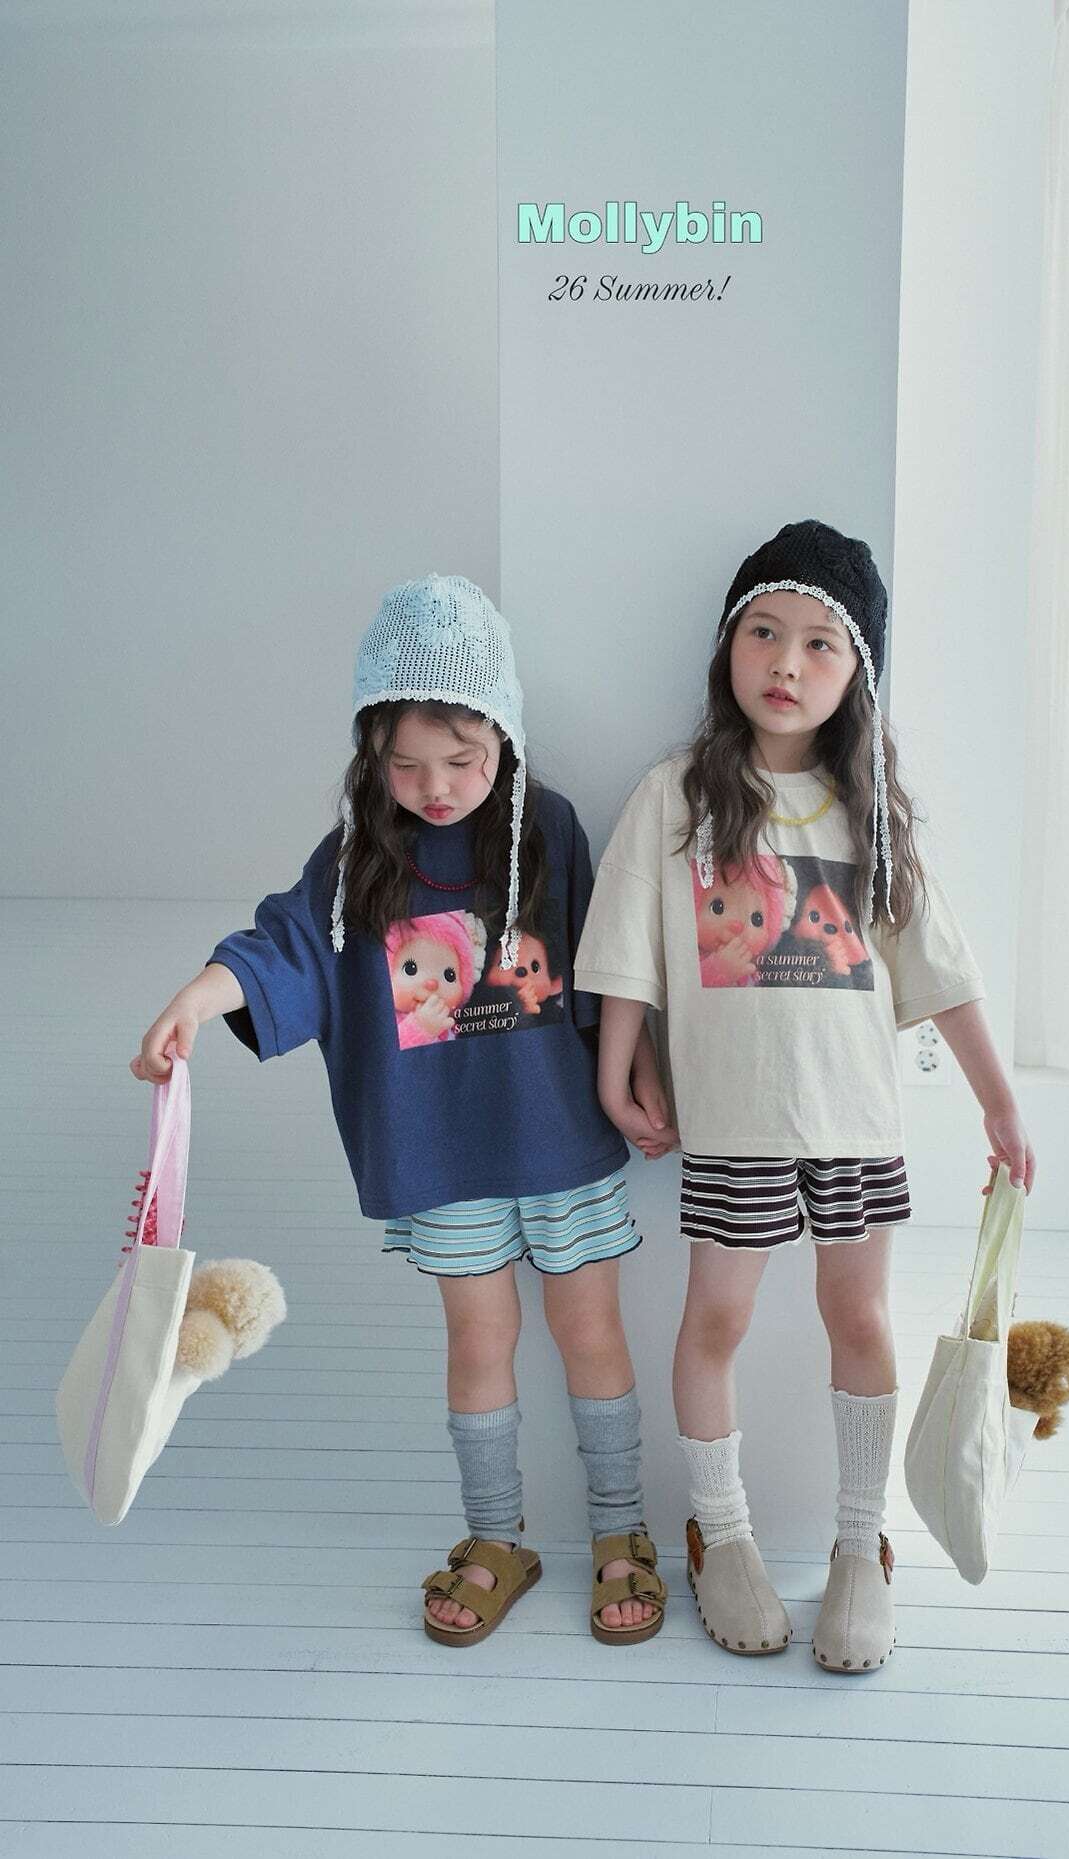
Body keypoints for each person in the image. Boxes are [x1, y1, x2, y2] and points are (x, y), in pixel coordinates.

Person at [130, 575, 677, 1648]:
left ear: (504, 736)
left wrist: (640, 1065)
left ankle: (622, 1528)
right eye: (406, 763)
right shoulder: (356, 862)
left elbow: (609, 958)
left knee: (590, 1331)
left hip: (561, 1144)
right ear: (370, 752)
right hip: (444, 1159)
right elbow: (282, 948)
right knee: (479, 1340)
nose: (435, 787)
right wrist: (196, 998)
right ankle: (496, 1536)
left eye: (462, 759)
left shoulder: (549, 828)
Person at [573, 520, 1035, 1670]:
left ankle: (856, 1539)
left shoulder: (868, 811)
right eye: (764, 632)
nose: (786, 661)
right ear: (728, 647)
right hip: (731, 1122)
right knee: (715, 1321)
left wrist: (998, 1103)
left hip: (853, 1119)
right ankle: (720, 1531)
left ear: (854, 674)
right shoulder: (675, 794)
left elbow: (942, 969)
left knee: (860, 1319)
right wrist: (616, 1063)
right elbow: (625, 946)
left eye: (820, 643)